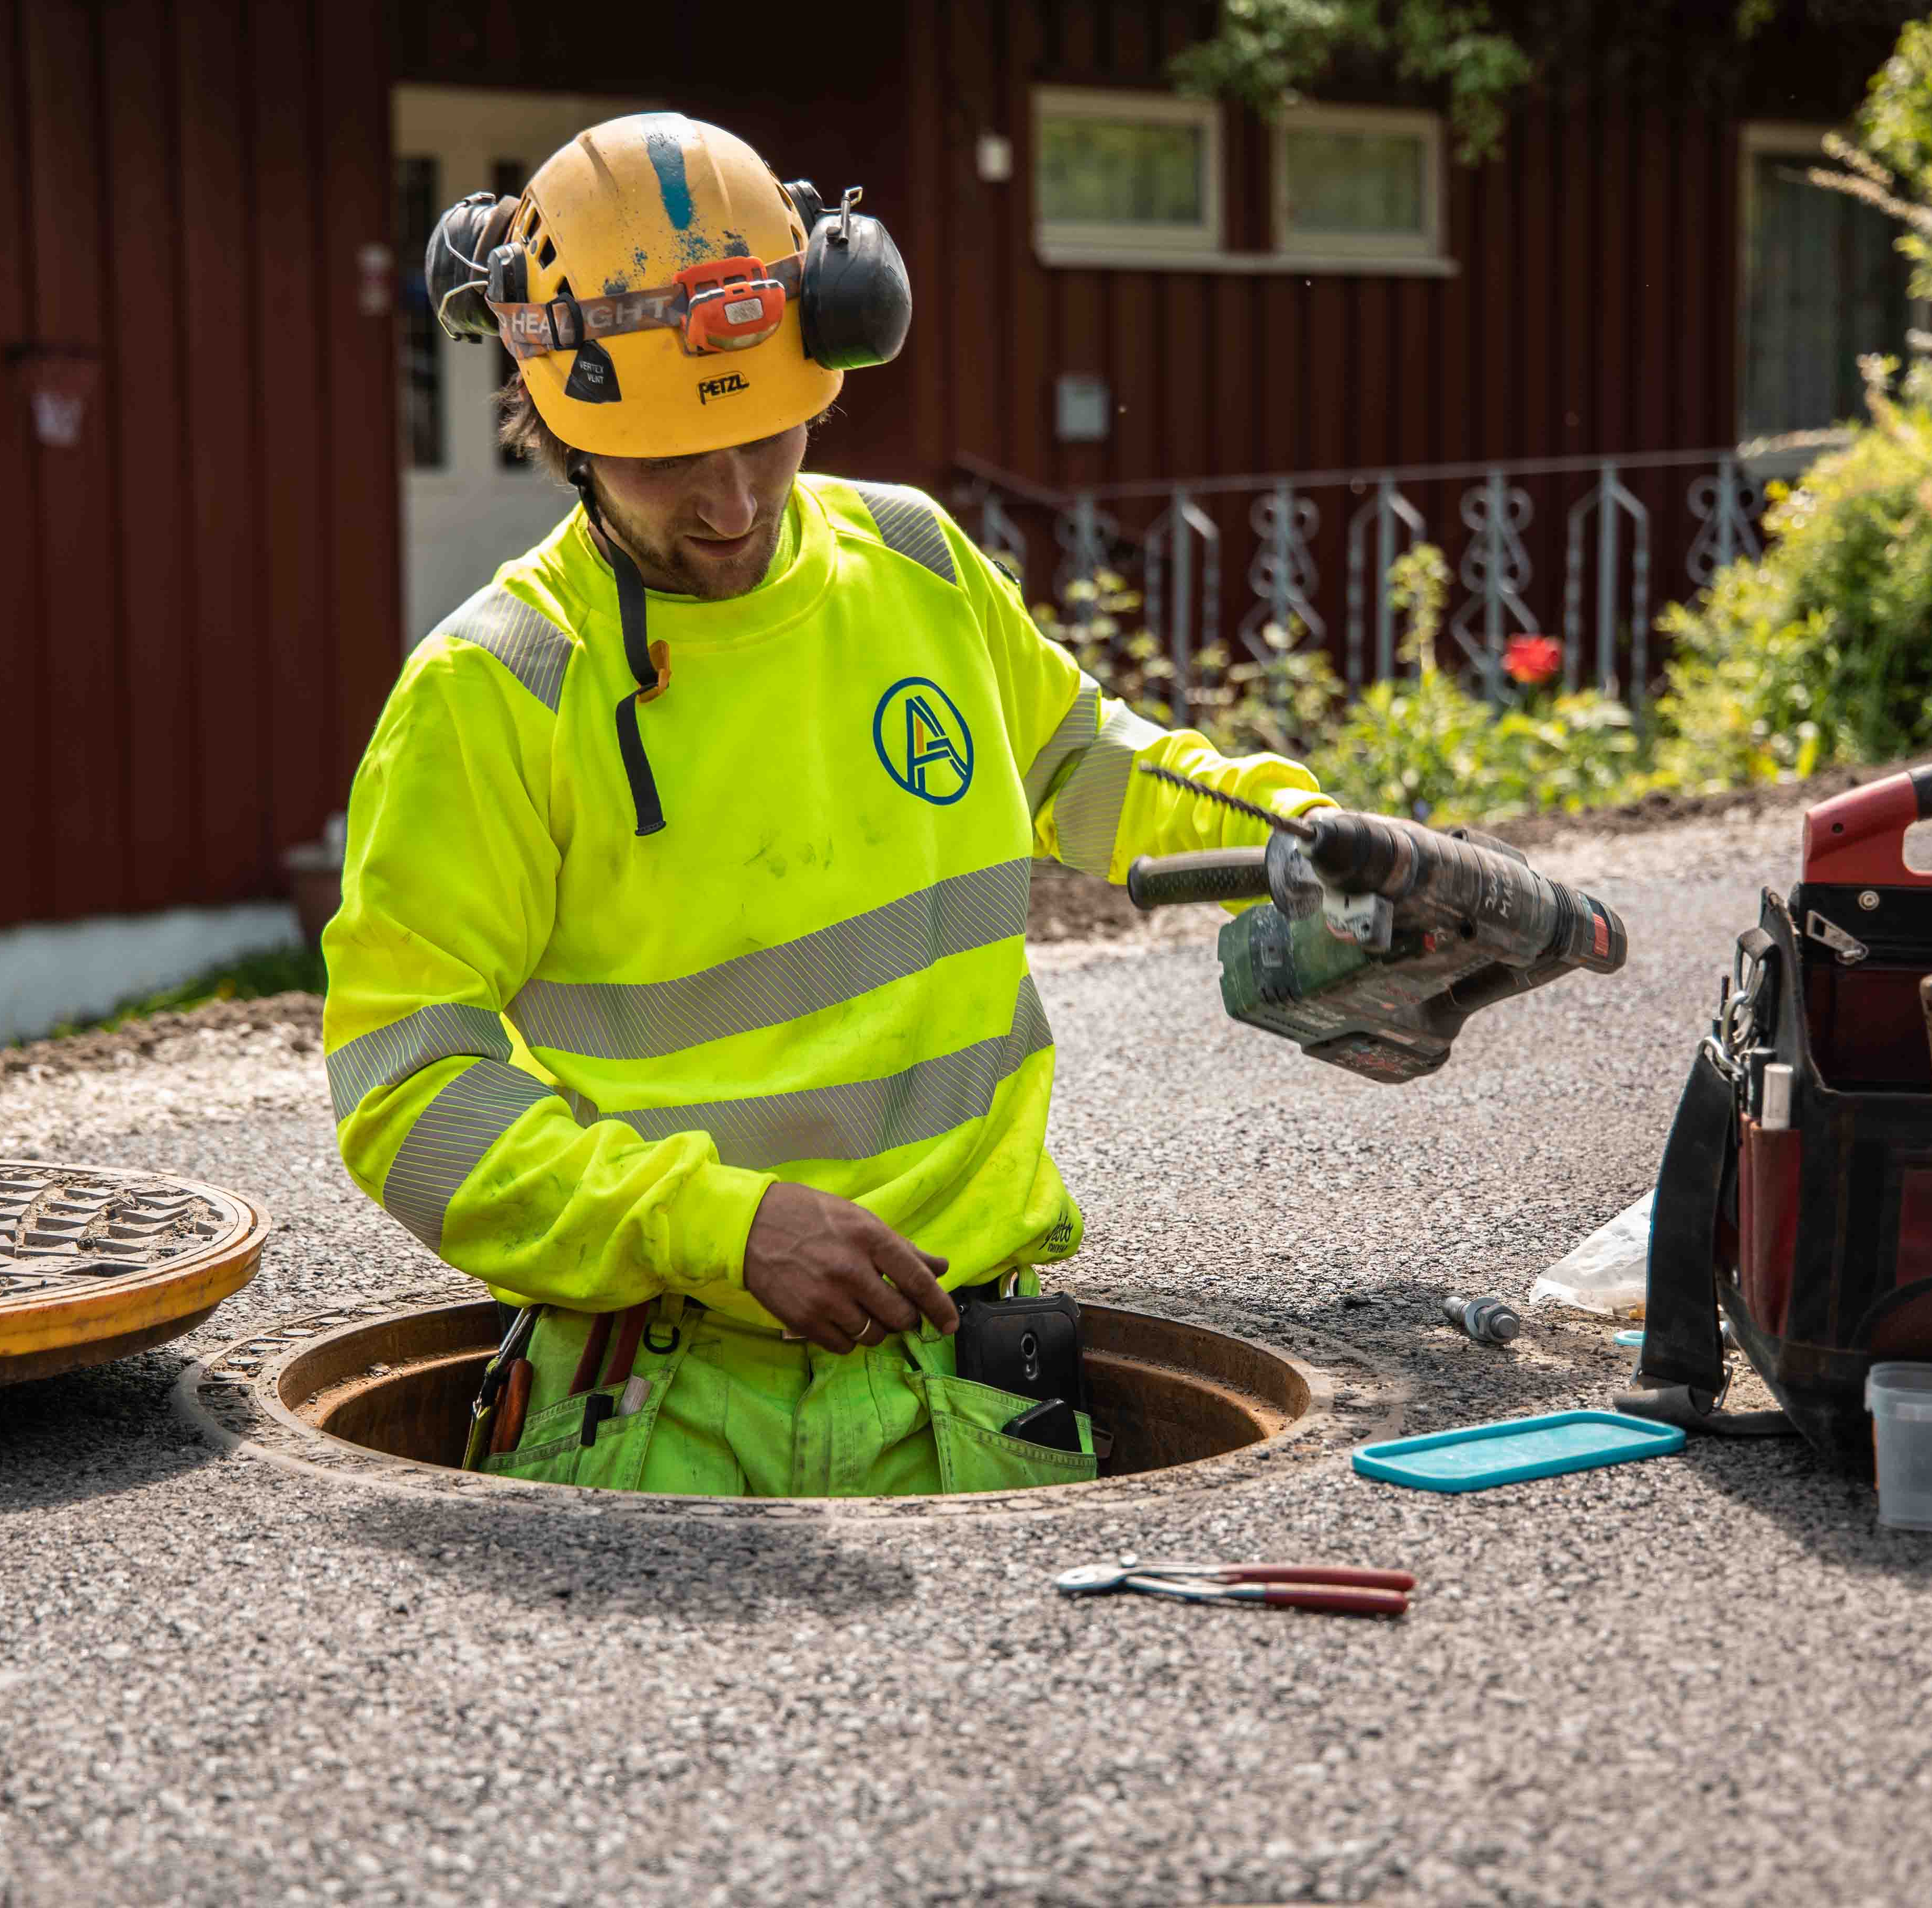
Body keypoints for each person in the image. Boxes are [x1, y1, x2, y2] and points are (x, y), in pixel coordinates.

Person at [323, 113, 1333, 1496]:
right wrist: (719, 1229)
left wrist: (1311, 840)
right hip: (666, 1408)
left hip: (979, 1392)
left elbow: (1089, 770)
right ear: (557, 419)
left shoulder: (914, 562)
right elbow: (405, 1091)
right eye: (669, 459)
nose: (734, 504)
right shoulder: (496, 691)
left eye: (767, 437)